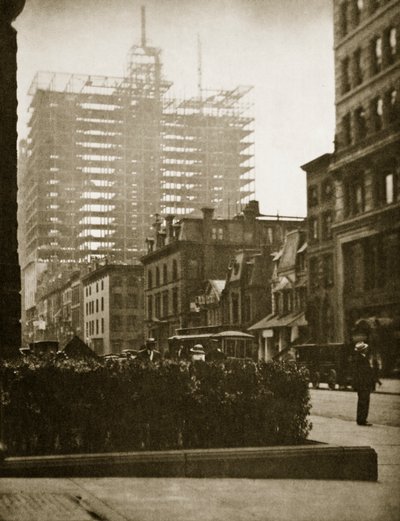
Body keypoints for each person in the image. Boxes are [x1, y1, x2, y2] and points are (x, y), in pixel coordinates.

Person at [352, 341, 375, 426]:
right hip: (364, 385)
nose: (367, 350)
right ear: (363, 350)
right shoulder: (361, 359)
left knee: (362, 402)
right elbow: (363, 373)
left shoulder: (360, 358)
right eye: (365, 349)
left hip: (362, 385)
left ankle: (361, 419)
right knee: (364, 402)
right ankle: (362, 420)